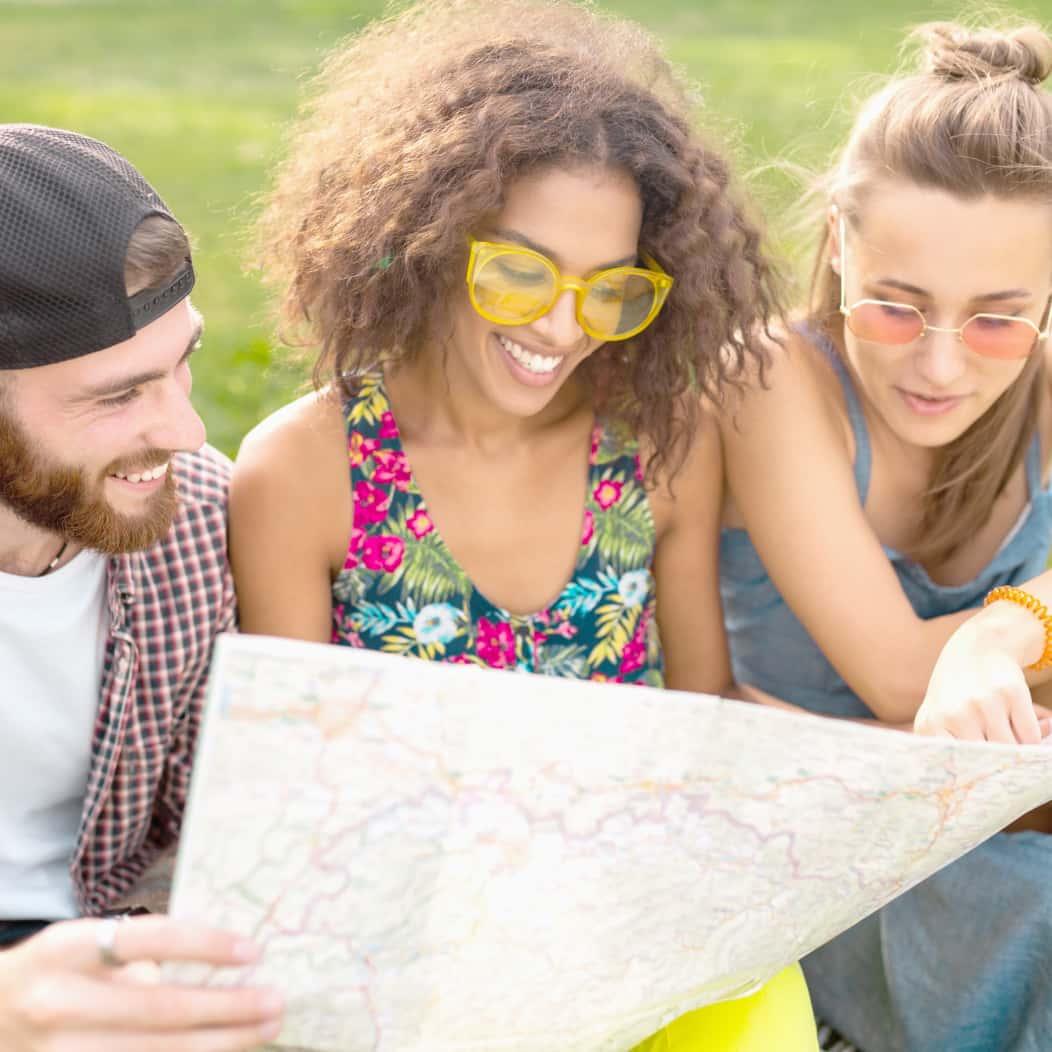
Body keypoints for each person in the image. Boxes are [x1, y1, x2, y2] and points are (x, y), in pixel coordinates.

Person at [230, 0, 817, 1046]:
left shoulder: (655, 449)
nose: (559, 327)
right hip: (401, 954)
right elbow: (298, 808)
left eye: (609, 293)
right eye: (518, 271)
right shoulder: (303, 470)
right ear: (424, 237)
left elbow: (694, 727)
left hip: (628, 923)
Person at [716, 20, 1052, 1051]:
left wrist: (998, 636)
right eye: (896, 308)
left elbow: (970, 704)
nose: (941, 368)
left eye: (997, 317)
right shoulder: (770, 382)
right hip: (829, 861)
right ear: (833, 244)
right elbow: (910, 692)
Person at [0, 124, 283, 1051]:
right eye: (119, 396)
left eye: (183, 361)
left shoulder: (201, 520)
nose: (189, 431)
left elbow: (218, 838)